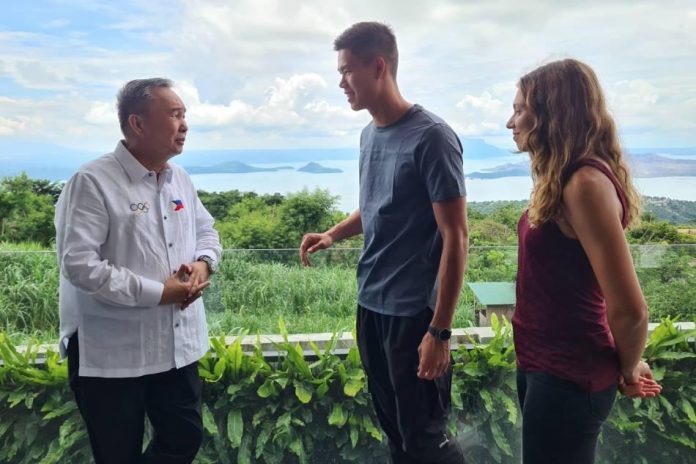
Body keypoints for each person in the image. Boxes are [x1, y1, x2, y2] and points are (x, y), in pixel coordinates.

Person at [300, 22, 468, 464]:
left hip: (414, 314)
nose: (340, 83)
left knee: (426, 439)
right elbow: (376, 205)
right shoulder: (369, 134)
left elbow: (457, 236)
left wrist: (440, 330)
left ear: (378, 66)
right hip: (370, 306)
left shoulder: (432, 136)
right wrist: (334, 233)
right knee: (394, 432)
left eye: (346, 71)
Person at [55, 78, 222, 464]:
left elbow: (207, 232)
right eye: (175, 115)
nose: (184, 125)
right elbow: (80, 265)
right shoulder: (92, 181)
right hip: (112, 354)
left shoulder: (180, 178)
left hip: (177, 348)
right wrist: (160, 292)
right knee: (117, 454)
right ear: (138, 124)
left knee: (184, 438)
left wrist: (203, 264)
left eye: (185, 116)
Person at [506, 59, 662, 464]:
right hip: (545, 368)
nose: (511, 121)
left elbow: (630, 310)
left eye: (520, 109)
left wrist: (627, 370)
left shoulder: (584, 184)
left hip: (569, 378)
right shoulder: (562, 179)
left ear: (551, 114)